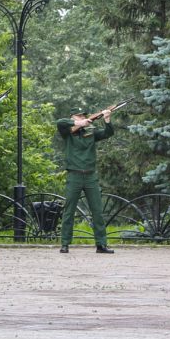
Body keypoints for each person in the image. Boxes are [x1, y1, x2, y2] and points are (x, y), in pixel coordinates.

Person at [56, 107, 115, 254]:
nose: (82, 118)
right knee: (69, 211)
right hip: (74, 175)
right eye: (78, 116)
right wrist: (78, 123)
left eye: (83, 116)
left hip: (90, 176)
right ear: (73, 117)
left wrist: (107, 118)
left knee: (97, 211)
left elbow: (108, 133)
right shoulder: (68, 132)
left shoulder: (91, 132)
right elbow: (60, 122)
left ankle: (101, 244)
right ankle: (65, 244)